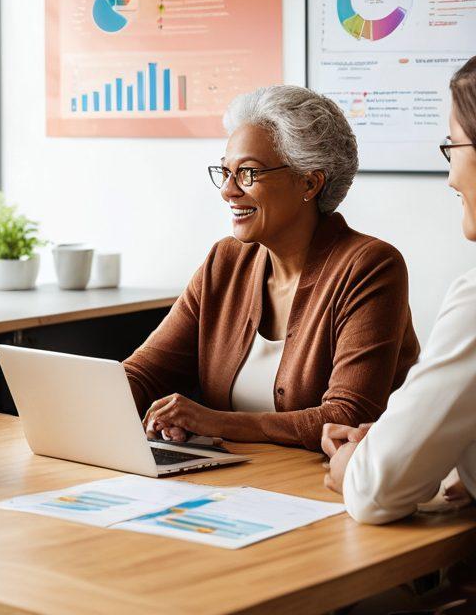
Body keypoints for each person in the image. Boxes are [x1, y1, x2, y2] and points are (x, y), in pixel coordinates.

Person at [122, 84, 419, 452]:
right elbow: (145, 373)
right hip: (237, 484)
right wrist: (91, 399)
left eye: (248, 173)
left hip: (329, 489)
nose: (228, 190)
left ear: (309, 182)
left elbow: (347, 415)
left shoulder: (371, 267)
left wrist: (215, 421)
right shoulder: (224, 262)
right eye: (225, 171)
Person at [324, 56, 476, 523]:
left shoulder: (370, 264)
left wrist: (354, 465)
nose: (450, 175)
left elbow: (375, 492)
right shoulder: (223, 261)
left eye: (454, 146)